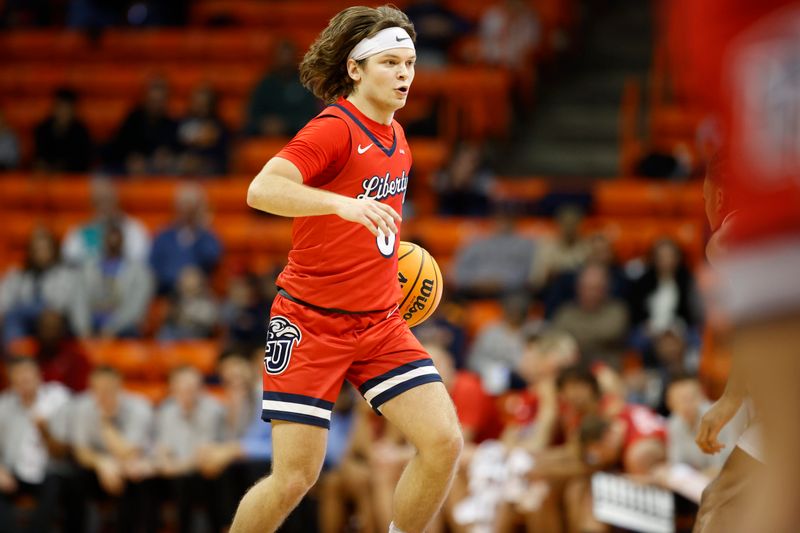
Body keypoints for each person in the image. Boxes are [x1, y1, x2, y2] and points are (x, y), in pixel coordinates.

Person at [233, 6, 463, 533]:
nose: (404, 73)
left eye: (409, 63)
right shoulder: (334, 128)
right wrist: (340, 204)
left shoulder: (398, 138)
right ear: (356, 70)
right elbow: (261, 189)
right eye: (390, 63)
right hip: (311, 323)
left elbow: (375, 235)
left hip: (380, 323)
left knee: (444, 442)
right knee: (295, 478)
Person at [70, 366, 156, 533]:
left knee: (136, 478)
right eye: (97, 390)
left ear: (120, 387)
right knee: (73, 480)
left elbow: (129, 452)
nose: (102, 396)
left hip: (131, 467)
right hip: (98, 469)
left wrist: (105, 424)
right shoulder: (81, 407)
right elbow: (81, 452)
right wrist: (102, 463)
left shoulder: (139, 406)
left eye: (108, 390)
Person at [0, 357, 72, 533]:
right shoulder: (4, 404)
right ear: (12, 382)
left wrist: (45, 432)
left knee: (57, 485)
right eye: (18, 379)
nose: (24, 383)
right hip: (14, 471)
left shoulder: (58, 398)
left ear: (39, 376)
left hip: (51, 470)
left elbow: (64, 451)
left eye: (28, 377)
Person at [153, 366, 226, 533]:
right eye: (183, 388)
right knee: (145, 481)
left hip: (202, 473)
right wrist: (163, 461)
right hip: (172, 472)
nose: (188, 392)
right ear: (173, 388)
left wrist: (175, 467)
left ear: (200, 388)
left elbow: (204, 455)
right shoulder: (166, 410)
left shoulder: (213, 409)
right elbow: (162, 447)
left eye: (193, 387)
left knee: (190, 480)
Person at [0, 227, 90, 345]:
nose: (41, 253)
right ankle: (18, 354)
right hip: (24, 321)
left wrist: (84, 334)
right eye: (36, 249)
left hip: (58, 322)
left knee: (47, 318)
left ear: (54, 250)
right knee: (13, 316)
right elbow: (3, 301)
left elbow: (75, 307)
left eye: (45, 249)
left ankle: (19, 357)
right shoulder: (18, 275)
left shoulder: (68, 275)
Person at [82, 222, 154, 338]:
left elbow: (136, 308)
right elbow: (80, 301)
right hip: (90, 326)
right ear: (103, 241)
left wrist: (111, 328)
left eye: (117, 239)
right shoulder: (88, 269)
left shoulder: (139, 272)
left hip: (124, 328)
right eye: (109, 238)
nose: (113, 242)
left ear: (123, 242)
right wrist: (83, 329)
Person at [149, 183, 222, 295]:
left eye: (191, 205)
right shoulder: (164, 235)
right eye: (183, 205)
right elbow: (154, 264)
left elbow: (212, 258)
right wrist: (177, 279)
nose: (187, 210)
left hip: (199, 291)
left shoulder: (207, 236)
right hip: (169, 290)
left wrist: (200, 231)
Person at [61, 178, 151, 265]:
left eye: (108, 199)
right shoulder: (80, 231)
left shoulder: (134, 228)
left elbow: (140, 259)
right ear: (92, 204)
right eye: (99, 201)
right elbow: (70, 258)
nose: (105, 206)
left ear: (117, 200)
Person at [243, 40, 320, 137]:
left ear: (295, 57)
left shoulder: (305, 84)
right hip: (264, 136)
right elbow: (252, 114)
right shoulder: (265, 83)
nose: (285, 60)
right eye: (281, 55)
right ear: (274, 57)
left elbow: (310, 115)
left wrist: (286, 124)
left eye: (288, 55)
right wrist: (264, 124)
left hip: (296, 137)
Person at [33, 87, 93, 172]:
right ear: (53, 108)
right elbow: (39, 158)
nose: (63, 112)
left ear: (74, 110)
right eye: (60, 107)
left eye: (67, 108)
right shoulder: (42, 130)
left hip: (72, 179)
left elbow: (83, 162)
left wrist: (62, 168)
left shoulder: (81, 132)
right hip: (47, 178)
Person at [176, 84, 230, 176]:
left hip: (210, 167)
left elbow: (222, 155)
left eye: (205, 103)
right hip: (184, 164)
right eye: (198, 103)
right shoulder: (183, 122)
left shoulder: (219, 126)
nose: (201, 107)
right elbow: (177, 146)